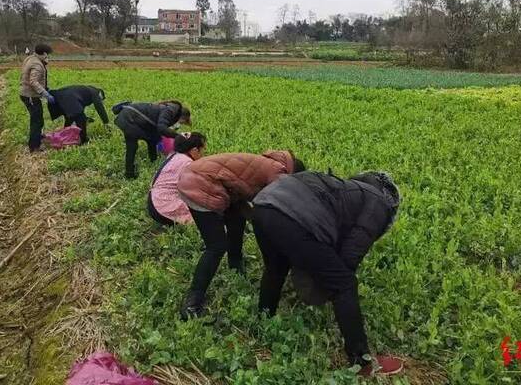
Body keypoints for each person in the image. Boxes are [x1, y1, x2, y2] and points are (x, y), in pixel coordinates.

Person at [251, 171, 402, 375]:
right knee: (345, 284)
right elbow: (350, 254)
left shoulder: (347, 189)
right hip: (291, 216)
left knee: (275, 269)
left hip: (263, 205)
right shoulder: (379, 203)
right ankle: (362, 362)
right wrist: (329, 283)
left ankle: (263, 323)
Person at [176, 150, 306, 319]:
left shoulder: (267, 163)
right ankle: (192, 303)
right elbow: (279, 207)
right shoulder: (279, 173)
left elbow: (245, 197)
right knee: (216, 246)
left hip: (197, 178)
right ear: (293, 174)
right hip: (201, 185)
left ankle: (235, 264)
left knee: (236, 218)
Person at [113, 100, 191, 179]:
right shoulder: (170, 111)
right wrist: (178, 136)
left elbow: (157, 129)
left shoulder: (171, 109)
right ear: (181, 116)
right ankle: (130, 174)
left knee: (152, 139)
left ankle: (151, 161)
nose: (179, 125)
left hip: (129, 116)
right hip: (130, 118)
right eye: (181, 122)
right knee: (133, 145)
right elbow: (161, 128)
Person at [148, 132, 207, 226]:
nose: (203, 153)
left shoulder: (174, 155)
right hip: (163, 206)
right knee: (206, 215)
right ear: (195, 150)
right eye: (203, 150)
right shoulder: (187, 163)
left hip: (154, 201)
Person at [19, 43, 54, 152]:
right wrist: (45, 93)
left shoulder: (31, 58)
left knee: (38, 118)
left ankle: (38, 137)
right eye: (47, 54)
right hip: (30, 96)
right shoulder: (38, 65)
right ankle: (34, 146)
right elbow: (33, 82)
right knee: (36, 121)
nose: (48, 56)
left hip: (26, 93)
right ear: (43, 53)